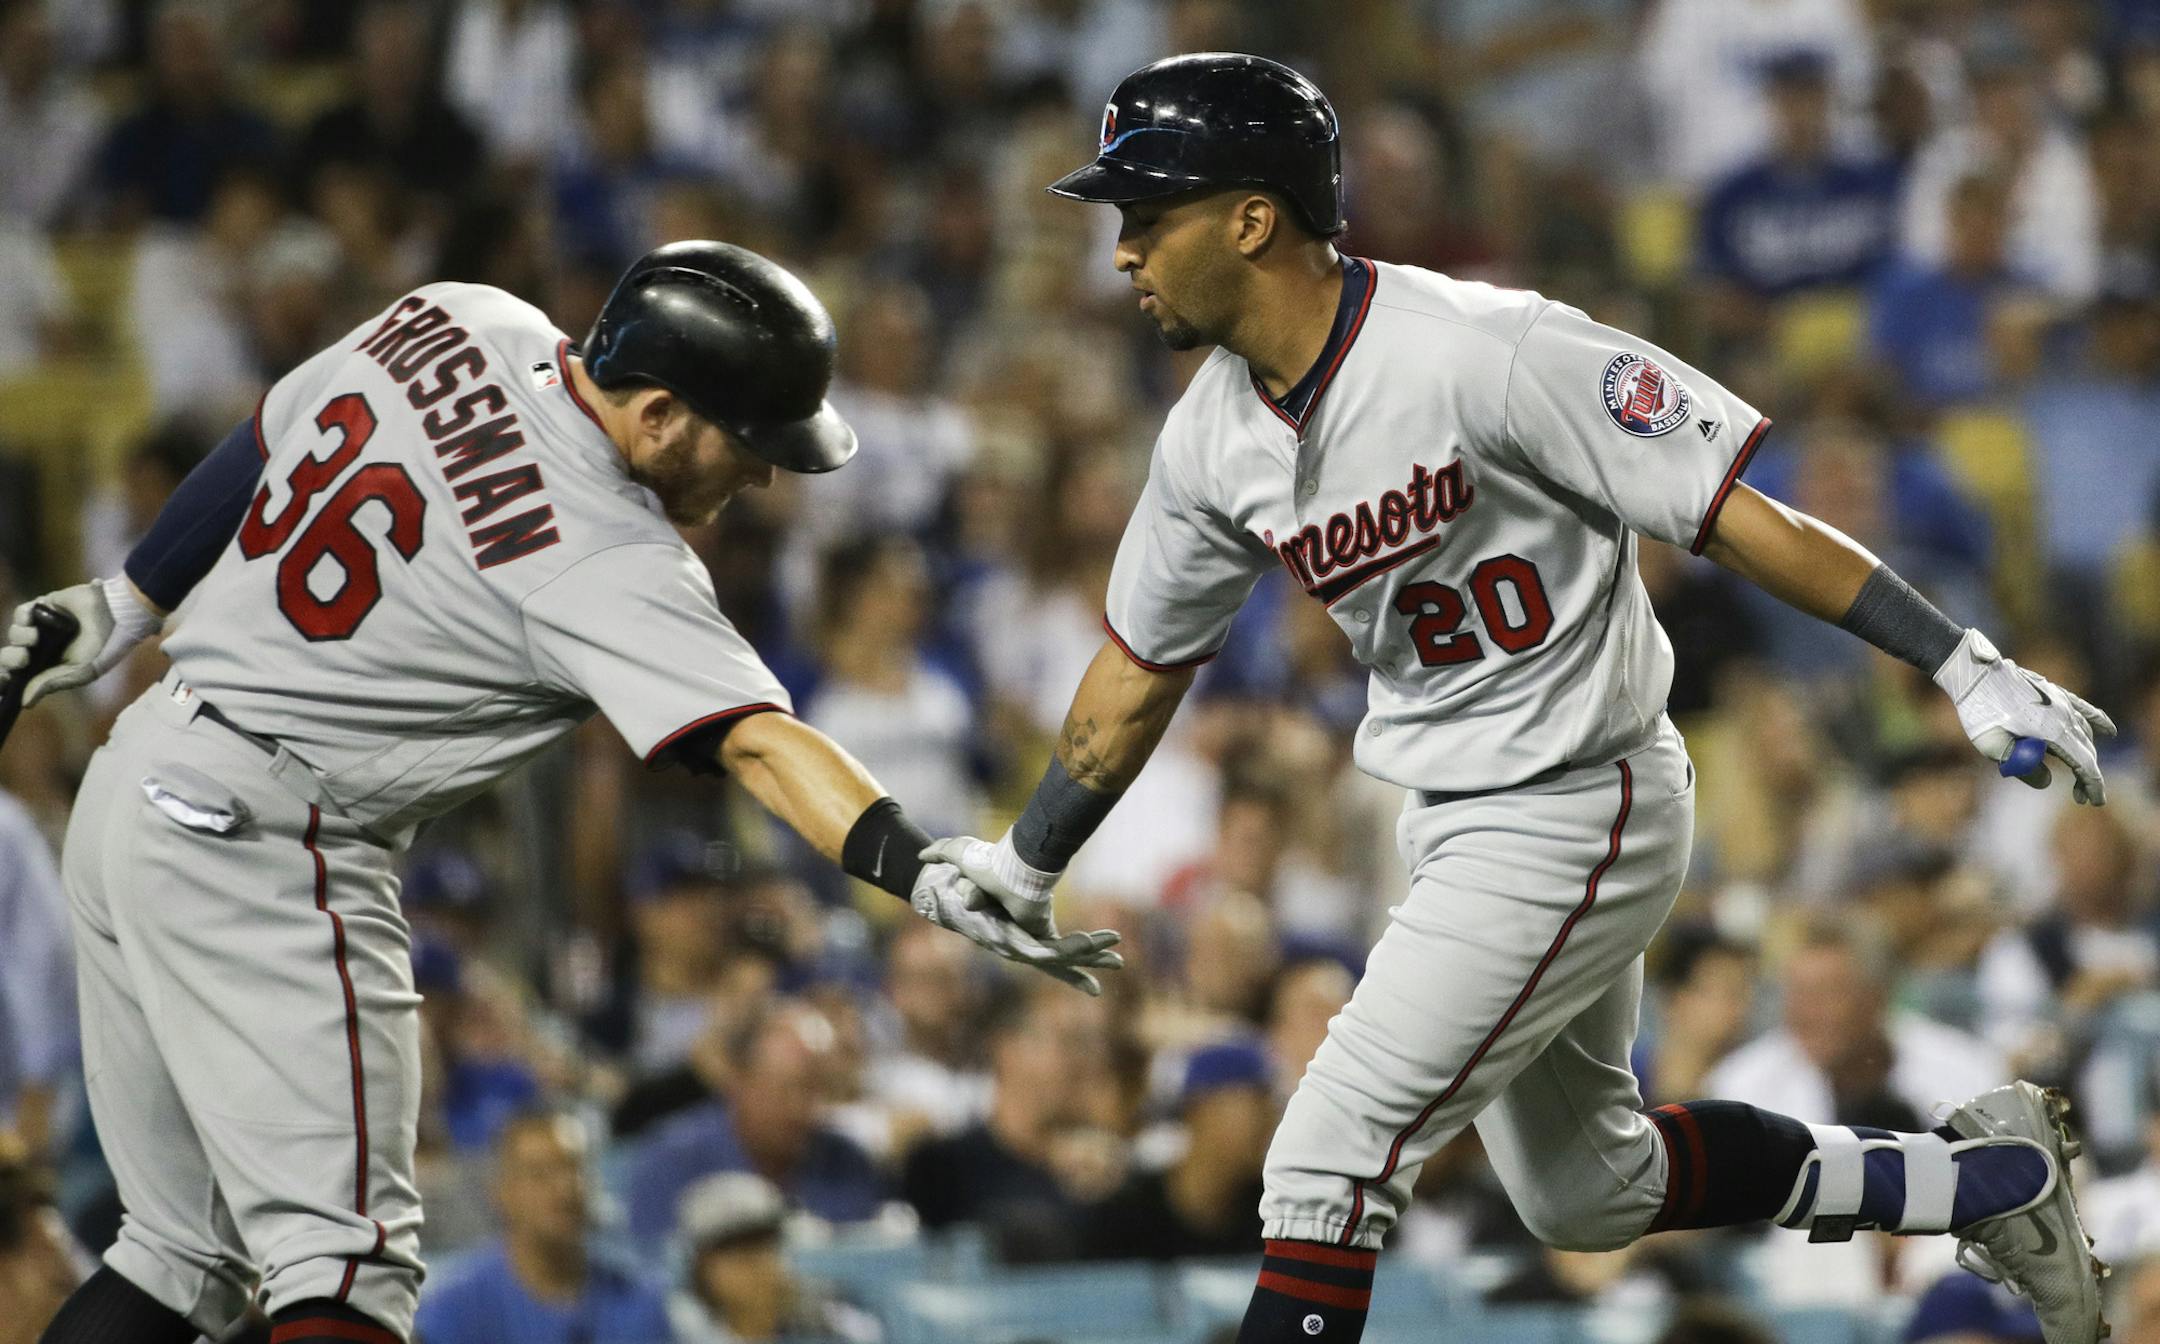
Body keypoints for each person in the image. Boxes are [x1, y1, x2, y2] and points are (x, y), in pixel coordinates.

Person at [926, 52, 2118, 1344]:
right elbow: (1138, 671)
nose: (1123, 252)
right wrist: (1029, 856)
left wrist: (1958, 661)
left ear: (1252, 219)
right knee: (1584, 1187)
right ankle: (1984, 1181)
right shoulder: (1210, 438)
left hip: (1577, 797)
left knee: (1325, 1162)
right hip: (1450, 816)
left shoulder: (1483, 348)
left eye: (1146, 216)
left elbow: (1734, 517)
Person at [1, 239, 1116, 1344]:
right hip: (265, 839)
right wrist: (920, 868)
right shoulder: (608, 549)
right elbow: (764, 747)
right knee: (348, 1270)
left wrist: (128, 596)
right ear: (662, 413)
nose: (766, 474)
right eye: (750, 440)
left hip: (139, 776)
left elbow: (265, 433)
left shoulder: (461, 315)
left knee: (177, 1253)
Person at [623, 999, 886, 1247]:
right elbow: (652, 1273)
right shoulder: (671, 1160)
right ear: (739, 1084)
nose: (798, 1108)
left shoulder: (848, 1162)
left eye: (812, 1091)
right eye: (783, 1090)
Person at [412, 1108, 672, 1344]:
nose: (564, 1189)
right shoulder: (456, 1309)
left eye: (575, 1169)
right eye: (540, 1174)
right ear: (502, 1192)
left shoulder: (638, 1298)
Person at [1080, 1037, 1274, 1261]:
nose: (1269, 1122)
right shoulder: (1125, 1218)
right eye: (1257, 1105)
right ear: (1203, 1109)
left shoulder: (1273, 1216)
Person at [667, 1172, 881, 1344]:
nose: (756, 1264)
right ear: (701, 1268)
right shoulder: (676, 1331)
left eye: (764, 1245)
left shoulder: (835, 1326)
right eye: (736, 1252)